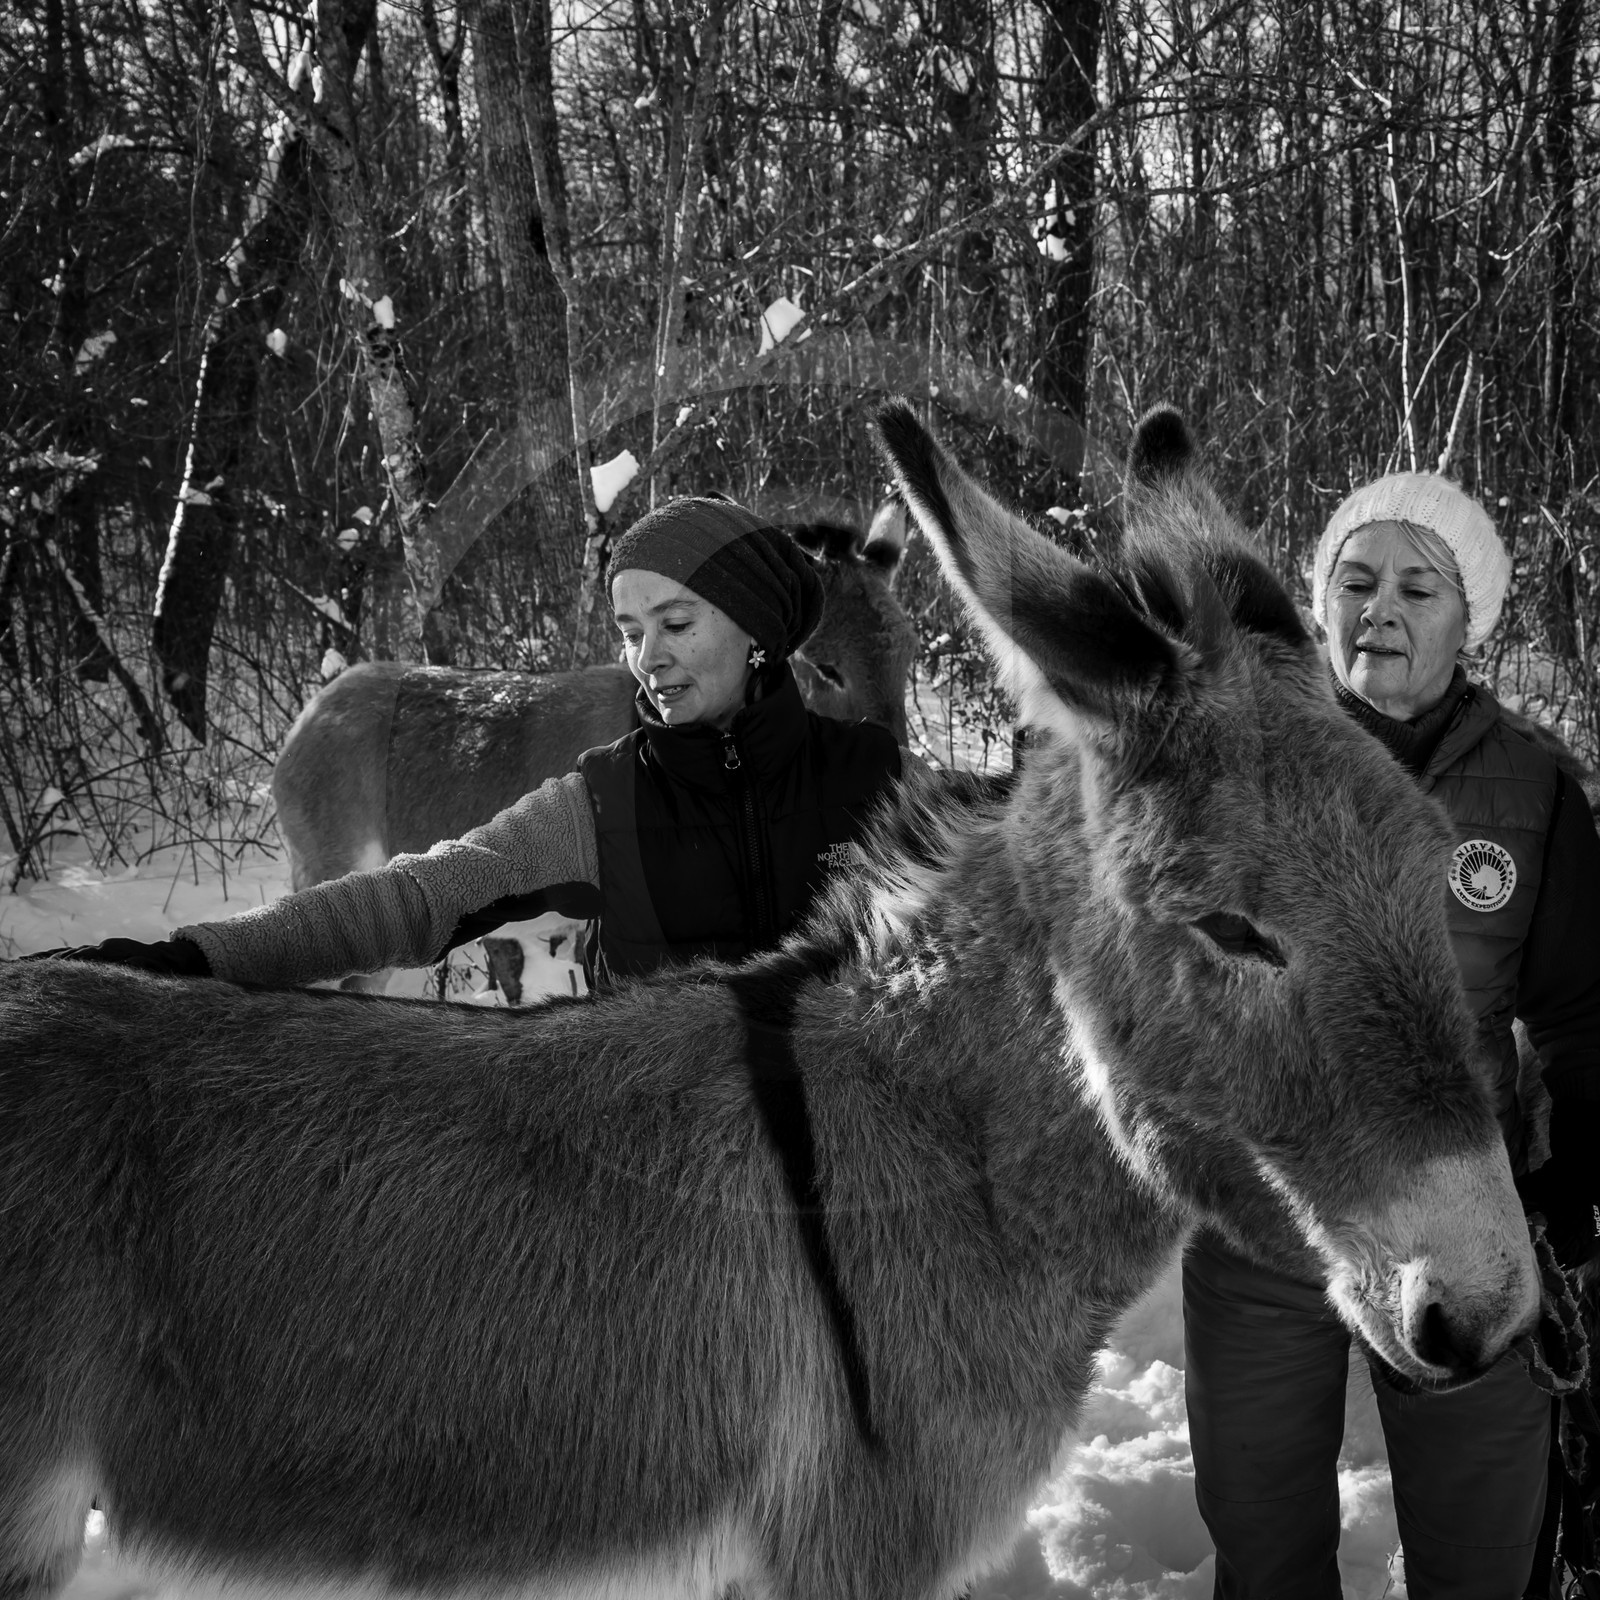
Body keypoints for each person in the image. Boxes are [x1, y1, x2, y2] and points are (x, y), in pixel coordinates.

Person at [1183, 472, 1600, 1599]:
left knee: (1479, 1544)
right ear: (1318, 606)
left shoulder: (1536, 787)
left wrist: (1572, 1181)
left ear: (1471, 621)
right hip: (1273, 1214)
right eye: (1355, 581)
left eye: (1420, 587)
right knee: (1260, 1527)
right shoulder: (1237, 766)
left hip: (1462, 1210)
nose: (1382, 609)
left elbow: (1573, 1009)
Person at [44, 496, 904, 989]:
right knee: (364, 991)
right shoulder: (607, 791)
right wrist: (185, 957)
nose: (650, 658)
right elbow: (415, 898)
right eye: (630, 630)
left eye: (676, 622)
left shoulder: (876, 782)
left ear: (760, 634)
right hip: (662, 1167)